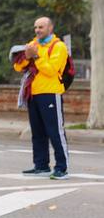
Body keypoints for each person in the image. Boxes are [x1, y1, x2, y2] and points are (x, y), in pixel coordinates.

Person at [14, 16, 70, 179]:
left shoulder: (59, 46)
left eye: (41, 27)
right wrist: (26, 56)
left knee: (55, 132)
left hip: (51, 93)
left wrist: (37, 56)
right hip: (33, 93)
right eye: (36, 27)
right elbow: (18, 67)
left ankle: (62, 168)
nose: (37, 30)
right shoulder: (33, 44)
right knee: (37, 132)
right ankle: (41, 165)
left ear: (50, 28)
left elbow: (52, 70)